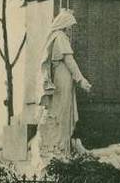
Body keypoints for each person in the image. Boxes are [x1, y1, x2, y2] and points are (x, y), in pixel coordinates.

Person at [36, 9, 92, 159]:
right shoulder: (60, 37)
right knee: (62, 111)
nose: (71, 30)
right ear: (65, 25)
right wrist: (81, 80)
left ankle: (59, 146)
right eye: (70, 26)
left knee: (60, 111)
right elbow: (69, 60)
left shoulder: (55, 37)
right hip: (63, 78)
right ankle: (59, 147)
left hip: (61, 77)